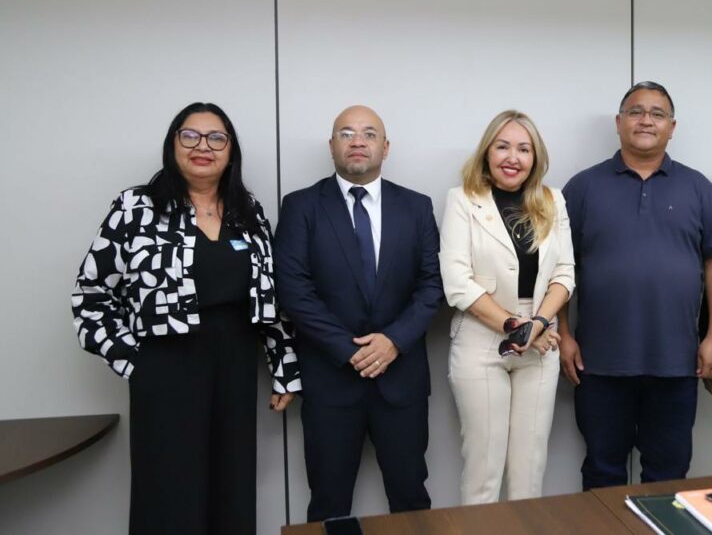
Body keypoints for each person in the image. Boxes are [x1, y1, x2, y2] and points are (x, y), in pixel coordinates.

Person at [71, 102, 300, 535]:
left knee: (232, 487)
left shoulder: (247, 212)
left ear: (230, 152)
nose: (203, 147)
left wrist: (284, 368)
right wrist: (135, 362)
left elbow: (273, 294)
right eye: (190, 136)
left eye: (217, 138)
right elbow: (90, 295)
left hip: (234, 364)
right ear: (172, 144)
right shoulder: (136, 207)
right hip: (166, 366)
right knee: (170, 491)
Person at [558, 81, 712, 489]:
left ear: (672, 127)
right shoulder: (582, 188)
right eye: (636, 111)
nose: (646, 120)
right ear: (619, 123)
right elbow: (559, 269)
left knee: (668, 476)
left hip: (676, 361)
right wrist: (563, 333)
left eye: (657, 113)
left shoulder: (697, 188)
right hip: (598, 363)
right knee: (602, 472)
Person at [274, 105, 442, 520]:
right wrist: (349, 350)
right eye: (346, 133)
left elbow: (432, 285)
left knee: (410, 498)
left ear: (385, 147)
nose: (358, 141)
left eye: (369, 133)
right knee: (329, 502)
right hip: (330, 381)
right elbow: (294, 291)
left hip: (401, 380)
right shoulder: (301, 206)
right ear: (332, 146)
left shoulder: (417, 207)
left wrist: (393, 342)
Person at [439, 110, 574, 505]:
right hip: (483, 336)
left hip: (541, 336)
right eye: (502, 146)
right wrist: (517, 325)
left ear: (535, 157)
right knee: (483, 471)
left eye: (523, 148)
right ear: (487, 153)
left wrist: (538, 322)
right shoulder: (462, 200)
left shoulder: (553, 200)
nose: (512, 157)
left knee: (529, 470)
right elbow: (456, 280)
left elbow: (564, 272)